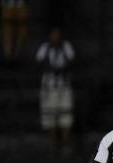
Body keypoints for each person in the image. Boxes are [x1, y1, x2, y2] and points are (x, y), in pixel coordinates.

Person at [36, 27, 74, 156]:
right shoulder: (45, 48)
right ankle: (53, 145)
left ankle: (65, 144)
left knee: (65, 116)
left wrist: (61, 69)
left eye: (57, 35)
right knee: (50, 116)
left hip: (64, 86)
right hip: (49, 87)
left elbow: (71, 61)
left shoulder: (66, 47)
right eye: (53, 35)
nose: (55, 38)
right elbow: (39, 62)